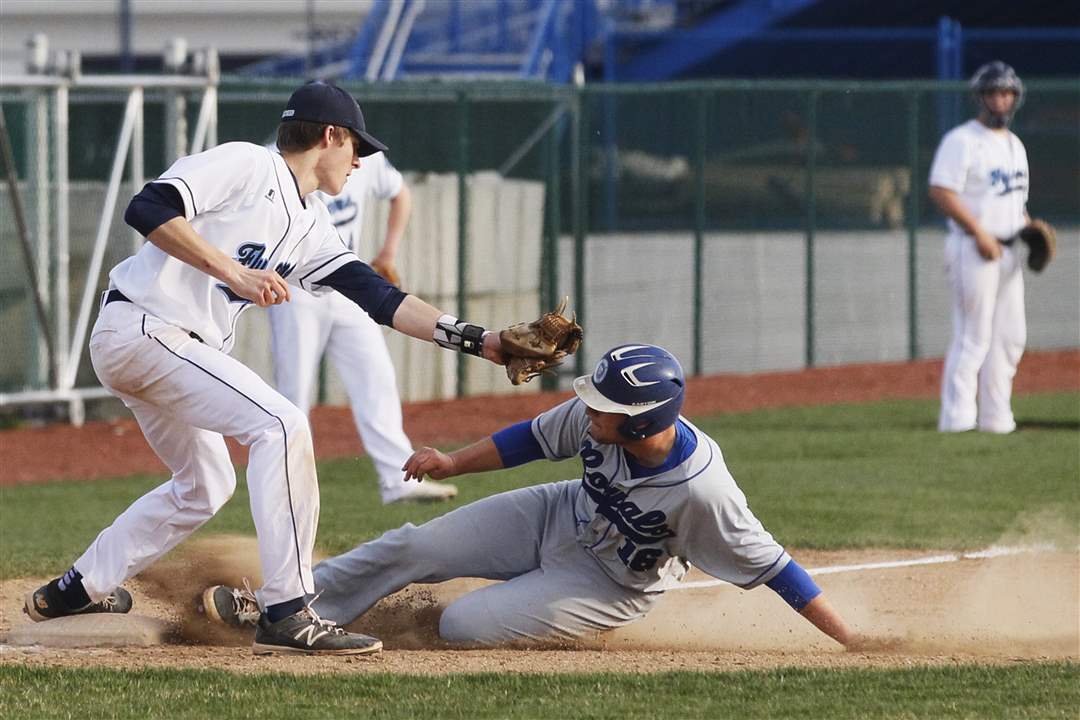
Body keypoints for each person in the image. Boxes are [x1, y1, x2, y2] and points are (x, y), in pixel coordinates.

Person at [23, 80, 508, 656]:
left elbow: (379, 297)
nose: (360, 161)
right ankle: (287, 611)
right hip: (146, 328)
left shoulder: (310, 225)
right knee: (280, 425)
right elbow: (148, 207)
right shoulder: (248, 165)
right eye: (357, 146)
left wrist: (482, 341)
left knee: (206, 484)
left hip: (164, 346)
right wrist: (233, 272)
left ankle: (79, 587)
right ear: (329, 135)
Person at [204, 343, 858, 648]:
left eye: (605, 408)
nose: (588, 411)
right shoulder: (599, 422)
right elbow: (528, 440)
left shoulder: (704, 491)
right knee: (417, 543)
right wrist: (449, 459)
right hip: (556, 513)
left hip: (609, 584)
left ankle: (383, 621)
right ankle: (280, 608)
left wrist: (852, 642)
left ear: (641, 423)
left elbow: (779, 570)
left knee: (461, 625)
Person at [268, 151, 457, 504]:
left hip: (347, 284)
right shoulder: (276, 158)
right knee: (293, 392)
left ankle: (399, 479)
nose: (356, 150)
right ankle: (288, 490)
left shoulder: (363, 158)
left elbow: (401, 193)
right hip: (295, 290)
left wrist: (387, 253)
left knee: (377, 377)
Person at [929, 61, 1030, 434]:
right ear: (981, 97)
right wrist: (979, 233)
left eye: (1007, 93)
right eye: (994, 92)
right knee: (974, 336)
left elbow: (1014, 201)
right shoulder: (963, 140)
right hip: (972, 247)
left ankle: (996, 419)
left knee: (1010, 337)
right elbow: (941, 189)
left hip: (1009, 250)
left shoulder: (1015, 146)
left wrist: (1029, 227)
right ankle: (956, 420)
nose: (1000, 99)